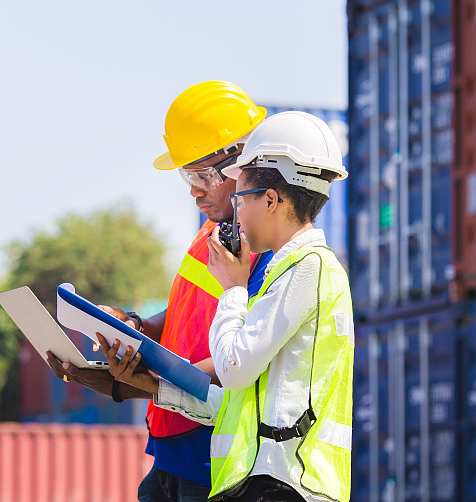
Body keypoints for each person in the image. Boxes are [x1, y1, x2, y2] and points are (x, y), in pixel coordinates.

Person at [98, 111, 354, 502]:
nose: (237, 209)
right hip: (259, 481)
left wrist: (233, 289)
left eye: (241, 197)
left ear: (270, 200)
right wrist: (151, 386)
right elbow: (239, 402)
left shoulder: (309, 269)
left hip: (289, 484)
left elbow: (233, 369)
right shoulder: (286, 272)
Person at [46, 80, 274, 502]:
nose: (194, 189)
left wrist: (137, 381)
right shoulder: (210, 235)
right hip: (169, 443)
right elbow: (180, 321)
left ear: (243, 163)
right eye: (188, 175)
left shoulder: (270, 251)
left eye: (203, 174)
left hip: (213, 456)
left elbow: (240, 360)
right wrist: (131, 327)